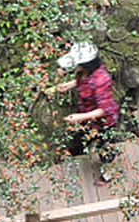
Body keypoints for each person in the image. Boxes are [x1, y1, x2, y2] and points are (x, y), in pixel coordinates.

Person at [52, 41, 121, 183]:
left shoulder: (101, 80)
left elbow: (104, 109)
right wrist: (69, 85)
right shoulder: (83, 72)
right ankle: (71, 158)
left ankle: (110, 171)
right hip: (87, 117)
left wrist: (78, 117)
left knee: (106, 148)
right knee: (79, 139)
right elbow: (82, 81)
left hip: (104, 122)